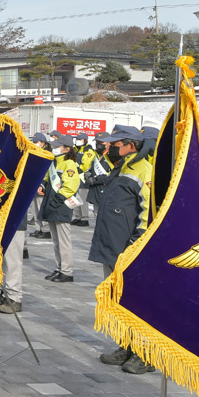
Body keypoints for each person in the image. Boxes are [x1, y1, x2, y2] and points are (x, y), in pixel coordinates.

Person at [88, 125, 154, 374]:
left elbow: (148, 210)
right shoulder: (121, 167)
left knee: (137, 301)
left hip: (130, 248)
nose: (109, 147)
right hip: (113, 245)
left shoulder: (144, 170)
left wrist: (136, 242)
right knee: (118, 299)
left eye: (115, 144)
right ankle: (126, 345)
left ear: (131, 145)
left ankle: (144, 352)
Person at [38, 135, 82, 283]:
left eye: (58, 146)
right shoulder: (55, 162)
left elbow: (71, 186)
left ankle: (67, 271)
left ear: (66, 149)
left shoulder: (69, 164)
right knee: (56, 241)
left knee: (63, 241)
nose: (54, 148)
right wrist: (42, 185)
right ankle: (59, 268)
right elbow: (47, 178)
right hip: (52, 204)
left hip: (61, 205)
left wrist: (57, 200)